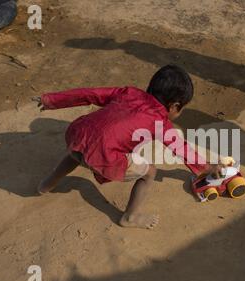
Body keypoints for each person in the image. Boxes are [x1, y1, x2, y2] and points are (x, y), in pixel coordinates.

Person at [34, 65, 221, 230]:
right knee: (150, 172)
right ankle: (129, 217)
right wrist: (208, 168)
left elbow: (89, 93)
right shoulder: (160, 122)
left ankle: (46, 184)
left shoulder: (128, 92)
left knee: (78, 152)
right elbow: (181, 149)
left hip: (76, 136)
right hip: (103, 156)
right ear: (174, 106)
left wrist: (51, 100)